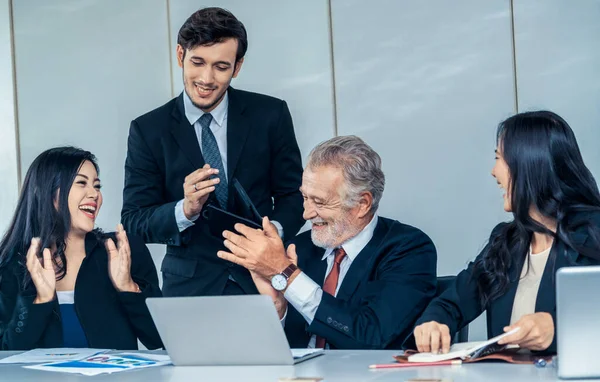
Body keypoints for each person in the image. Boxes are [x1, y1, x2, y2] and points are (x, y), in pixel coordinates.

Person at [121, 7, 304, 297]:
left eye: (221, 66)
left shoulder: (271, 114)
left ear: (237, 66)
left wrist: (273, 236)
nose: (206, 78)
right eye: (197, 62)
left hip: (263, 280)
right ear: (180, 56)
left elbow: (293, 194)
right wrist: (185, 209)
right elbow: (134, 219)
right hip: (189, 288)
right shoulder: (148, 130)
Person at [217, 136, 437, 349]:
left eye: (319, 201)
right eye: (304, 197)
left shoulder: (409, 250)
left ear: (362, 204)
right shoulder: (299, 247)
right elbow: (274, 353)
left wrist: (286, 274)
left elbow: (371, 337)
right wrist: (277, 309)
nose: (306, 214)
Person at [413, 111, 600, 354]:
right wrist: (433, 323)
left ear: (529, 165)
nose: (493, 171)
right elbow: (453, 301)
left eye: (499, 158)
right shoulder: (506, 241)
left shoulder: (594, 233)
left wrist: (558, 327)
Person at [0, 147, 162, 350]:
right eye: (81, 183)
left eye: (97, 185)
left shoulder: (123, 251)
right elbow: (6, 354)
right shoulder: (11, 263)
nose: (94, 194)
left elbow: (160, 340)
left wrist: (128, 287)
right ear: (47, 193)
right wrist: (40, 301)